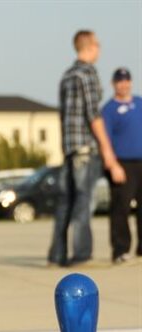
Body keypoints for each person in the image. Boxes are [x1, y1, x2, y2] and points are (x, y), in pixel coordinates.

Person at [47, 30, 126, 267]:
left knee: (65, 202)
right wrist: (108, 151)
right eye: (98, 44)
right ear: (90, 46)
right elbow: (94, 115)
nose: (100, 49)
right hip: (85, 148)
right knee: (84, 200)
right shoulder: (88, 74)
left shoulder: (67, 76)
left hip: (69, 148)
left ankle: (56, 255)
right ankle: (81, 254)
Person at [101, 68, 142, 264]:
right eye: (120, 81)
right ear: (114, 84)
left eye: (126, 81)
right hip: (122, 163)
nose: (123, 85)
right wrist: (112, 165)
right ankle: (120, 250)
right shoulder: (109, 109)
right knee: (121, 208)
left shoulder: (140, 104)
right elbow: (105, 140)